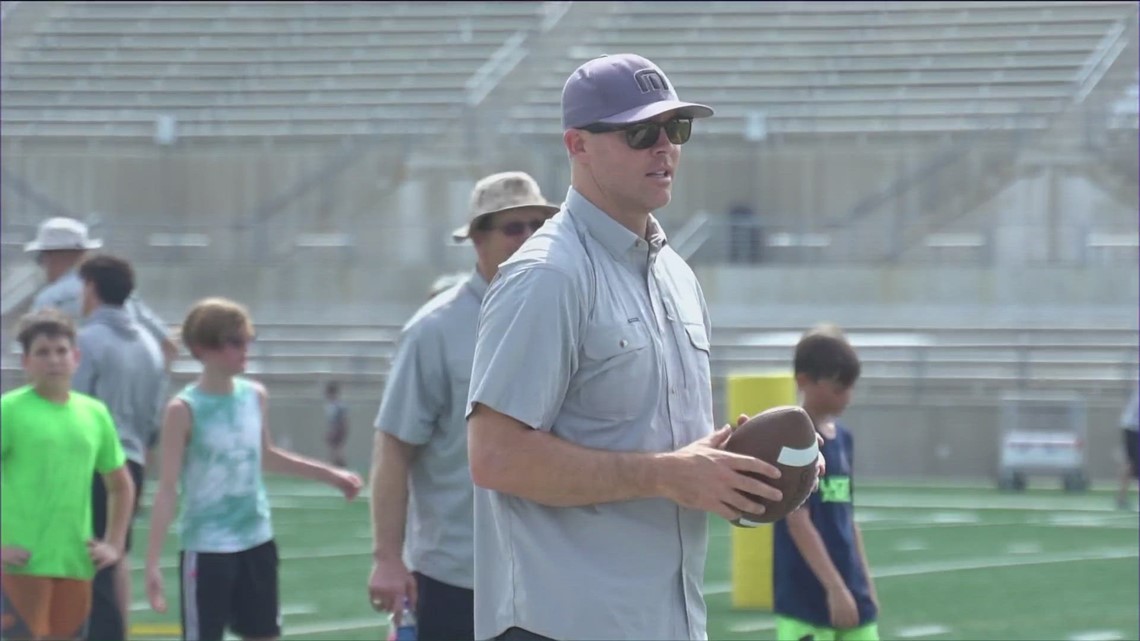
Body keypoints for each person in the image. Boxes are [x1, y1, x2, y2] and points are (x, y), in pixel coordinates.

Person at [465, 53, 810, 641]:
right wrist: (665, 476)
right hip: (563, 625)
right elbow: (496, 457)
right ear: (577, 145)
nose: (665, 147)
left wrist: (728, 468)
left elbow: (658, 453)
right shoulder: (547, 275)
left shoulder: (676, 274)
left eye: (676, 129)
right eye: (640, 132)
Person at [367, 171, 559, 641]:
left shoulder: (564, 313)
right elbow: (394, 448)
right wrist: (388, 559)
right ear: (477, 238)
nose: (530, 238)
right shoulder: (433, 331)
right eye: (513, 228)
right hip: (458, 575)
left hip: (551, 570)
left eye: (539, 225)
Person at [143, 297, 364, 641]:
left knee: (265, 634)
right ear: (203, 348)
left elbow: (266, 455)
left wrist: (332, 476)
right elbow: (168, 487)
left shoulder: (254, 395)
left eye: (248, 339)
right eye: (235, 341)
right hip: (207, 547)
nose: (245, 349)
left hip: (257, 539)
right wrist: (153, 561)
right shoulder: (183, 410)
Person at [1, 309, 136, 641]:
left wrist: (114, 544)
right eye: (43, 352)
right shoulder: (9, 410)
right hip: (21, 566)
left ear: (76, 358)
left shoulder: (94, 413)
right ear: (26, 362)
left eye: (61, 351)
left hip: (75, 565)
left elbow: (120, 485)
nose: (54, 360)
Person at [71, 254, 166, 641]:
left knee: (85, 558)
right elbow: (153, 420)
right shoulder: (150, 345)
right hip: (133, 461)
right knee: (114, 556)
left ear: (91, 287)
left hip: (91, 463)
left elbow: (72, 407)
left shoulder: (86, 341)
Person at [774, 324, 879, 641]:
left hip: (850, 588)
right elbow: (798, 521)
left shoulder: (844, 438)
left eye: (850, 387)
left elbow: (848, 517)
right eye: (838, 388)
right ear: (804, 381)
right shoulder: (791, 437)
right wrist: (834, 588)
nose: (847, 396)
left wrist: (864, 583)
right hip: (806, 597)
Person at [25, 216, 179, 368]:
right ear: (84, 253)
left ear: (49, 256)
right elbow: (168, 346)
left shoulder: (49, 299)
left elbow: (35, 358)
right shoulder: (119, 291)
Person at [1116, 383, 1139, 510]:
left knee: (1130, 464)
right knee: (1133, 463)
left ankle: (1121, 498)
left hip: (1132, 427)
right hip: (1133, 428)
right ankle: (1121, 498)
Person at [324, 381, 350, 467]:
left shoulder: (338, 406)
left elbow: (343, 421)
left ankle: (341, 469)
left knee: (338, 452)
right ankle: (336, 468)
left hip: (338, 431)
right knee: (334, 452)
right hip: (335, 430)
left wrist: (336, 431)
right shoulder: (331, 406)